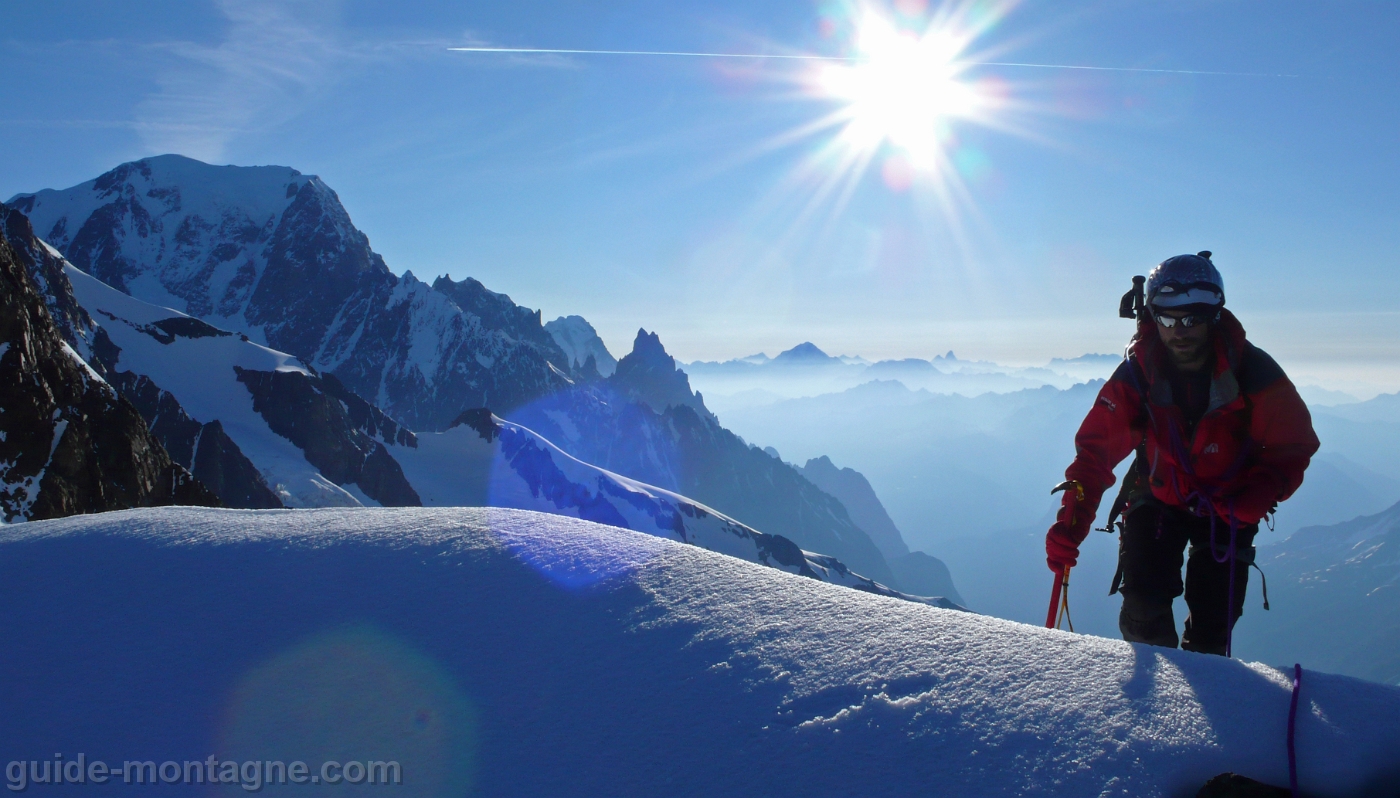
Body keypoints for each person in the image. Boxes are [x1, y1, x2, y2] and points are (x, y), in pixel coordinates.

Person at [1045, 252, 1319, 655]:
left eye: (1192, 318)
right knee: (1142, 609)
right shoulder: (1139, 373)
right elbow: (1095, 454)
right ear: (1154, 317)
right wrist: (1072, 521)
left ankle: (1195, 704)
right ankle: (1157, 704)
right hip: (1159, 497)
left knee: (1212, 631)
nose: (1180, 330)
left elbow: (1292, 443)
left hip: (1229, 505)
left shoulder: (1252, 371)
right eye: (1169, 319)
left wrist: (1263, 490)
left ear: (1213, 315)